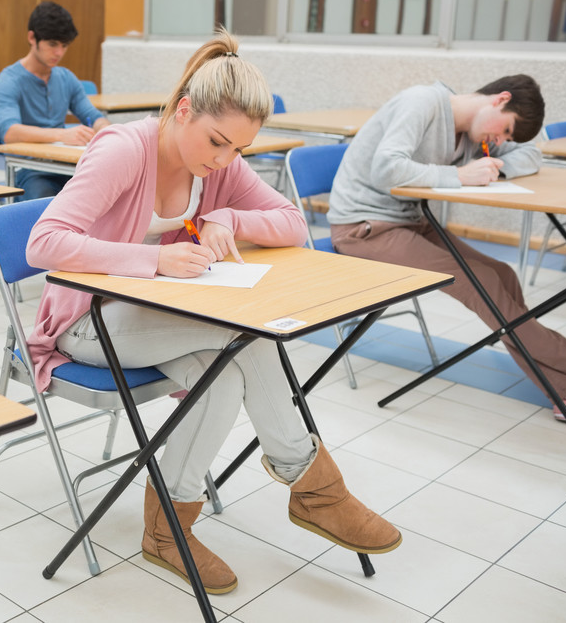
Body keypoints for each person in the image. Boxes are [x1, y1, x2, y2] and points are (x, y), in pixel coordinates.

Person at [25, 30, 401, 595]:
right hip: (88, 323)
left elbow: (294, 223)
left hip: (158, 317)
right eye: (217, 142)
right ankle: (314, 487)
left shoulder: (217, 167)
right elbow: (43, 243)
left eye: (238, 150)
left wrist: (230, 217)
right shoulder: (125, 149)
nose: (224, 159)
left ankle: (167, 530)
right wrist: (153, 259)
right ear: (183, 111)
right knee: (247, 336)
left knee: (221, 376)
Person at [327, 75, 566, 422]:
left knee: (503, 274)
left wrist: (495, 171)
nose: (498, 142)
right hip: (363, 229)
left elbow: (531, 153)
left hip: (411, 221)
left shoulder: (473, 135)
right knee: (483, 281)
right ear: (500, 100)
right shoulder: (422, 102)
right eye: (504, 131)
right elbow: (386, 168)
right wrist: (460, 176)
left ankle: (562, 389)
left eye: (504, 140)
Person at [0, 1, 109, 201]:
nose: (59, 53)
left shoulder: (66, 78)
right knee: (45, 200)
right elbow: (10, 133)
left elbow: (94, 116)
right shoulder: (8, 80)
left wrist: (106, 132)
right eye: (52, 44)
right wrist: (63, 135)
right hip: (29, 169)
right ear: (32, 38)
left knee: (107, 194)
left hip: (66, 164)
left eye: (64, 46)